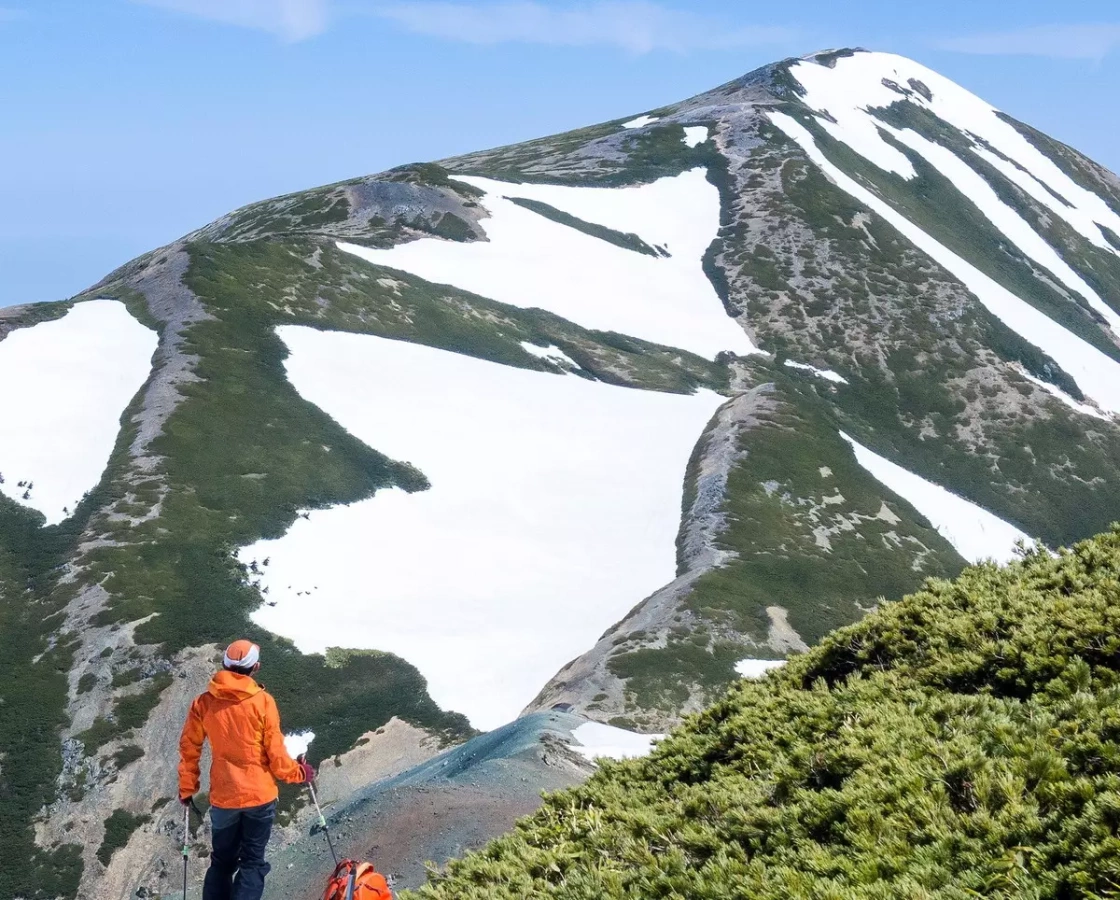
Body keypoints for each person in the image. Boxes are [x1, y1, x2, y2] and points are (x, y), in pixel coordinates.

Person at [178, 639, 315, 900]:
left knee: (221, 863)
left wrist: (187, 788)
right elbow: (276, 754)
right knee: (252, 862)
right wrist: (298, 773)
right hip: (259, 796)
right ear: (256, 668)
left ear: (225, 665)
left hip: (224, 796)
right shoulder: (263, 702)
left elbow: (189, 747)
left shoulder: (203, 703)